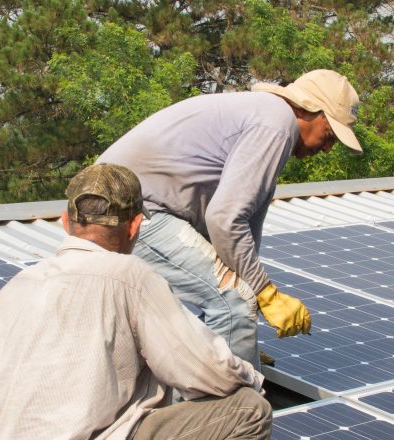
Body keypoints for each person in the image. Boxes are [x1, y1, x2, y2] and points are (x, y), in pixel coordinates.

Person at [0, 163, 271, 440]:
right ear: (135, 225)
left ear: (64, 222)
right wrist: (251, 377)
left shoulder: (15, 287)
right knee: (249, 409)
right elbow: (205, 370)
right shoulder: (130, 276)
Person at [96, 69, 363, 365]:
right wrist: (264, 295)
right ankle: (228, 405)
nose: (327, 149)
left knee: (228, 302)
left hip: (115, 205)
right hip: (127, 211)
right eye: (329, 135)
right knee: (233, 301)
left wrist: (241, 336)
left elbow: (243, 228)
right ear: (308, 110)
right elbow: (225, 220)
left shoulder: (264, 115)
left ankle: (223, 363)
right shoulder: (276, 124)